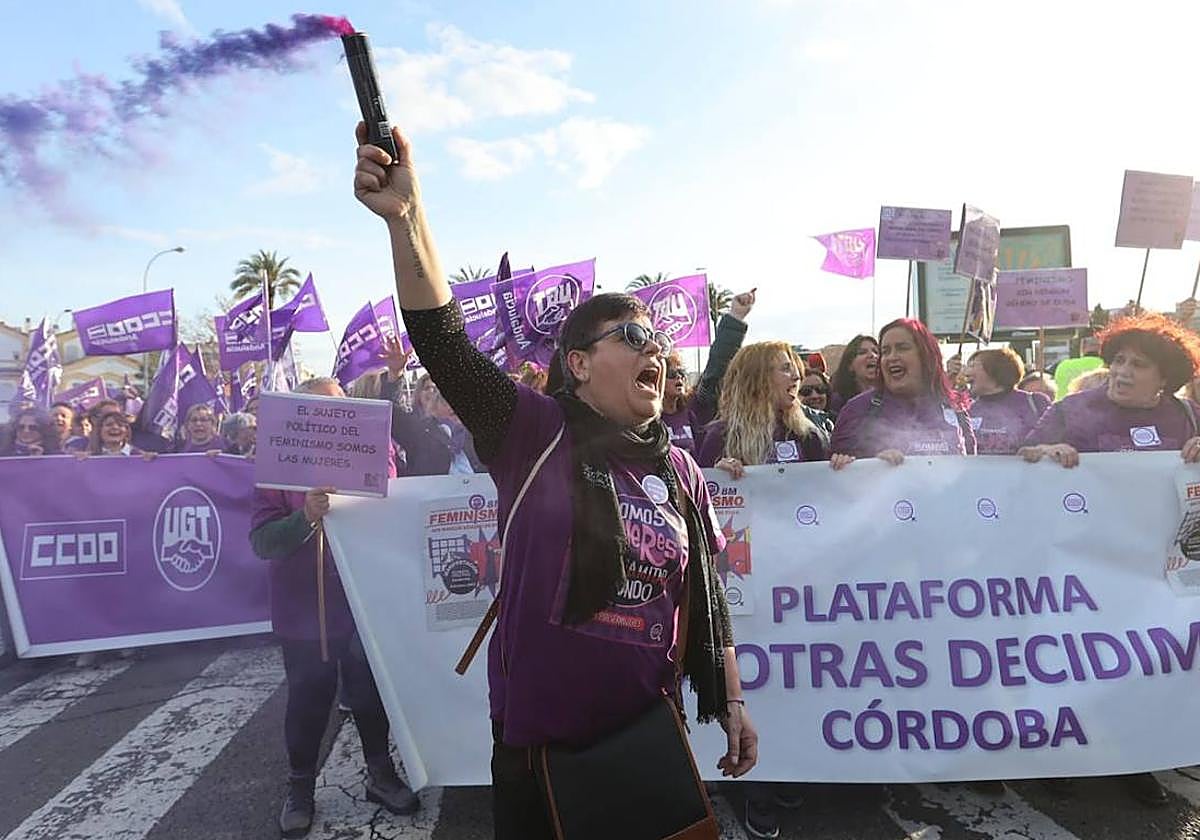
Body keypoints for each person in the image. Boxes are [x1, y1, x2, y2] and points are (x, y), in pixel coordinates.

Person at [354, 121, 756, 839]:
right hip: (539, 753)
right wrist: (408, 219)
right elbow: (445, 344)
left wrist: (731, 698)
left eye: (659, 342)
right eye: (632, 338)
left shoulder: (680, 467)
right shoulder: (534, 433)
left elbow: (707, 592)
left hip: (645, 738)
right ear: (575, 363)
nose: (655, 352)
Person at [1019, 313, 1200, 808]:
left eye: (1138, 365)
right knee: (1071, 661)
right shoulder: (1073, 409)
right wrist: (1042, 452)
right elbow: (1016, 459)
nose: (1122, 371)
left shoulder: (1185, 417)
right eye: (1118, 360)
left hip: (1150, 573)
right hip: (1081, 567)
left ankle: (1134, 760)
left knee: (1141, 667)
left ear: (1165, 378)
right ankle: (1061, 755)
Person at [250, 376, 417, 837]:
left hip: (363, 599)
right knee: (309, 696)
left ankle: (380, 774)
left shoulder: (376, 453)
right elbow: (263, 541)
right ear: (302, 415)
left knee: (369, 692)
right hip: (304, 609)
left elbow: (394, 506)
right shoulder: (276, 467)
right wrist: (304, 516)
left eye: (342, 407)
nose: (336, 418)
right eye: (324, 409)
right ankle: (300, 785)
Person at [830, 318, 975, 469]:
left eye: (902, 348)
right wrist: (873, 465)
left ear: (926, 355)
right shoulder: (858, 410)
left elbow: (974, 468)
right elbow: (838, 479)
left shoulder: (954, 407)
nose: (892, 357)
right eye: (885, 351)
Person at [697, 341, 829, 475]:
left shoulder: (807, 435)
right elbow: (700, 490)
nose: (797, 377)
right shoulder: (722, 435)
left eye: (794, 369)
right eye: (785, 369)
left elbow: (826, 486)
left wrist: (842, 463)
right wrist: (718, 475)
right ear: (757, 379)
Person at [661, 288, 756, 455]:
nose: (679, 378)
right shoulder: (642, 420)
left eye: (681, 373)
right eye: (671, 374)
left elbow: (716, 368)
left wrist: (735, 317)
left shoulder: (693, 410)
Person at [965, 348, 1051, 455]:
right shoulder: (965, 408)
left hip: (1025, 471)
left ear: (995, 369)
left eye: (973, 366)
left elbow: (1055, 440)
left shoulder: (1035, 403)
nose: (966, 373)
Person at [828, 334, 879, 414]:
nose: (872, 355)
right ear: (850, 365)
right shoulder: (839, 401)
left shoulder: (893, 397)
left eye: (876, 352)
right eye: (862, 352)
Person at [1053, 335, 1104, 399]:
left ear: (1082, 348)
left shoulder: (1064, 365)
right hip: (1093, 406)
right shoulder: (1105, 366)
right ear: (1100, 348)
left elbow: (1057, 385)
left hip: (1063, 405)